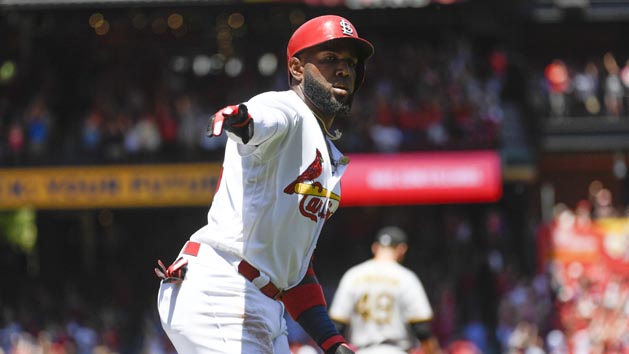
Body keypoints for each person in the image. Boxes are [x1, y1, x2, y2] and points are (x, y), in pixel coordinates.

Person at [154, 14, 374, 354]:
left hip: (264, 302)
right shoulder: (289, 108)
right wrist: (242, 120)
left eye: (351, 62)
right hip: (223, 285)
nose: (344, 69)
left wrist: (332, 342)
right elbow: (262, 117)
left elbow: (295, 271)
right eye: (330, 59)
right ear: (298, 68)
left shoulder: (328, 158)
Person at [329, 226, 442, 354]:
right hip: (396, 350)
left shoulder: (352, 276)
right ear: (402, 249)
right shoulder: (406, 277)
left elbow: (337, 326)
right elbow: (422, 329)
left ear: (375, 247)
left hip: (362, 351)